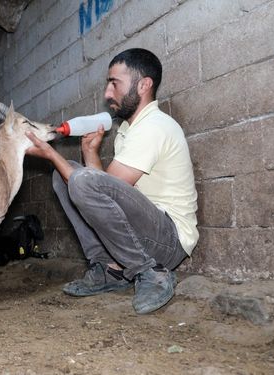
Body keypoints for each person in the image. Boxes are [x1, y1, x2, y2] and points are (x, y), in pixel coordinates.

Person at [25, 48, 198, 314]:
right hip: (144, 233)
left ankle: (152, 272)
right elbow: (104, 190)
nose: (107, 94)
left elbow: (92, 185)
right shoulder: (129, 131)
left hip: (167, 242)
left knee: (73, 176)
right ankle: (109, 270)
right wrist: (90, 152)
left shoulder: (154, 127)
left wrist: (49, 153)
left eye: (114, 83)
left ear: (143, 85)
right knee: (65, 175)